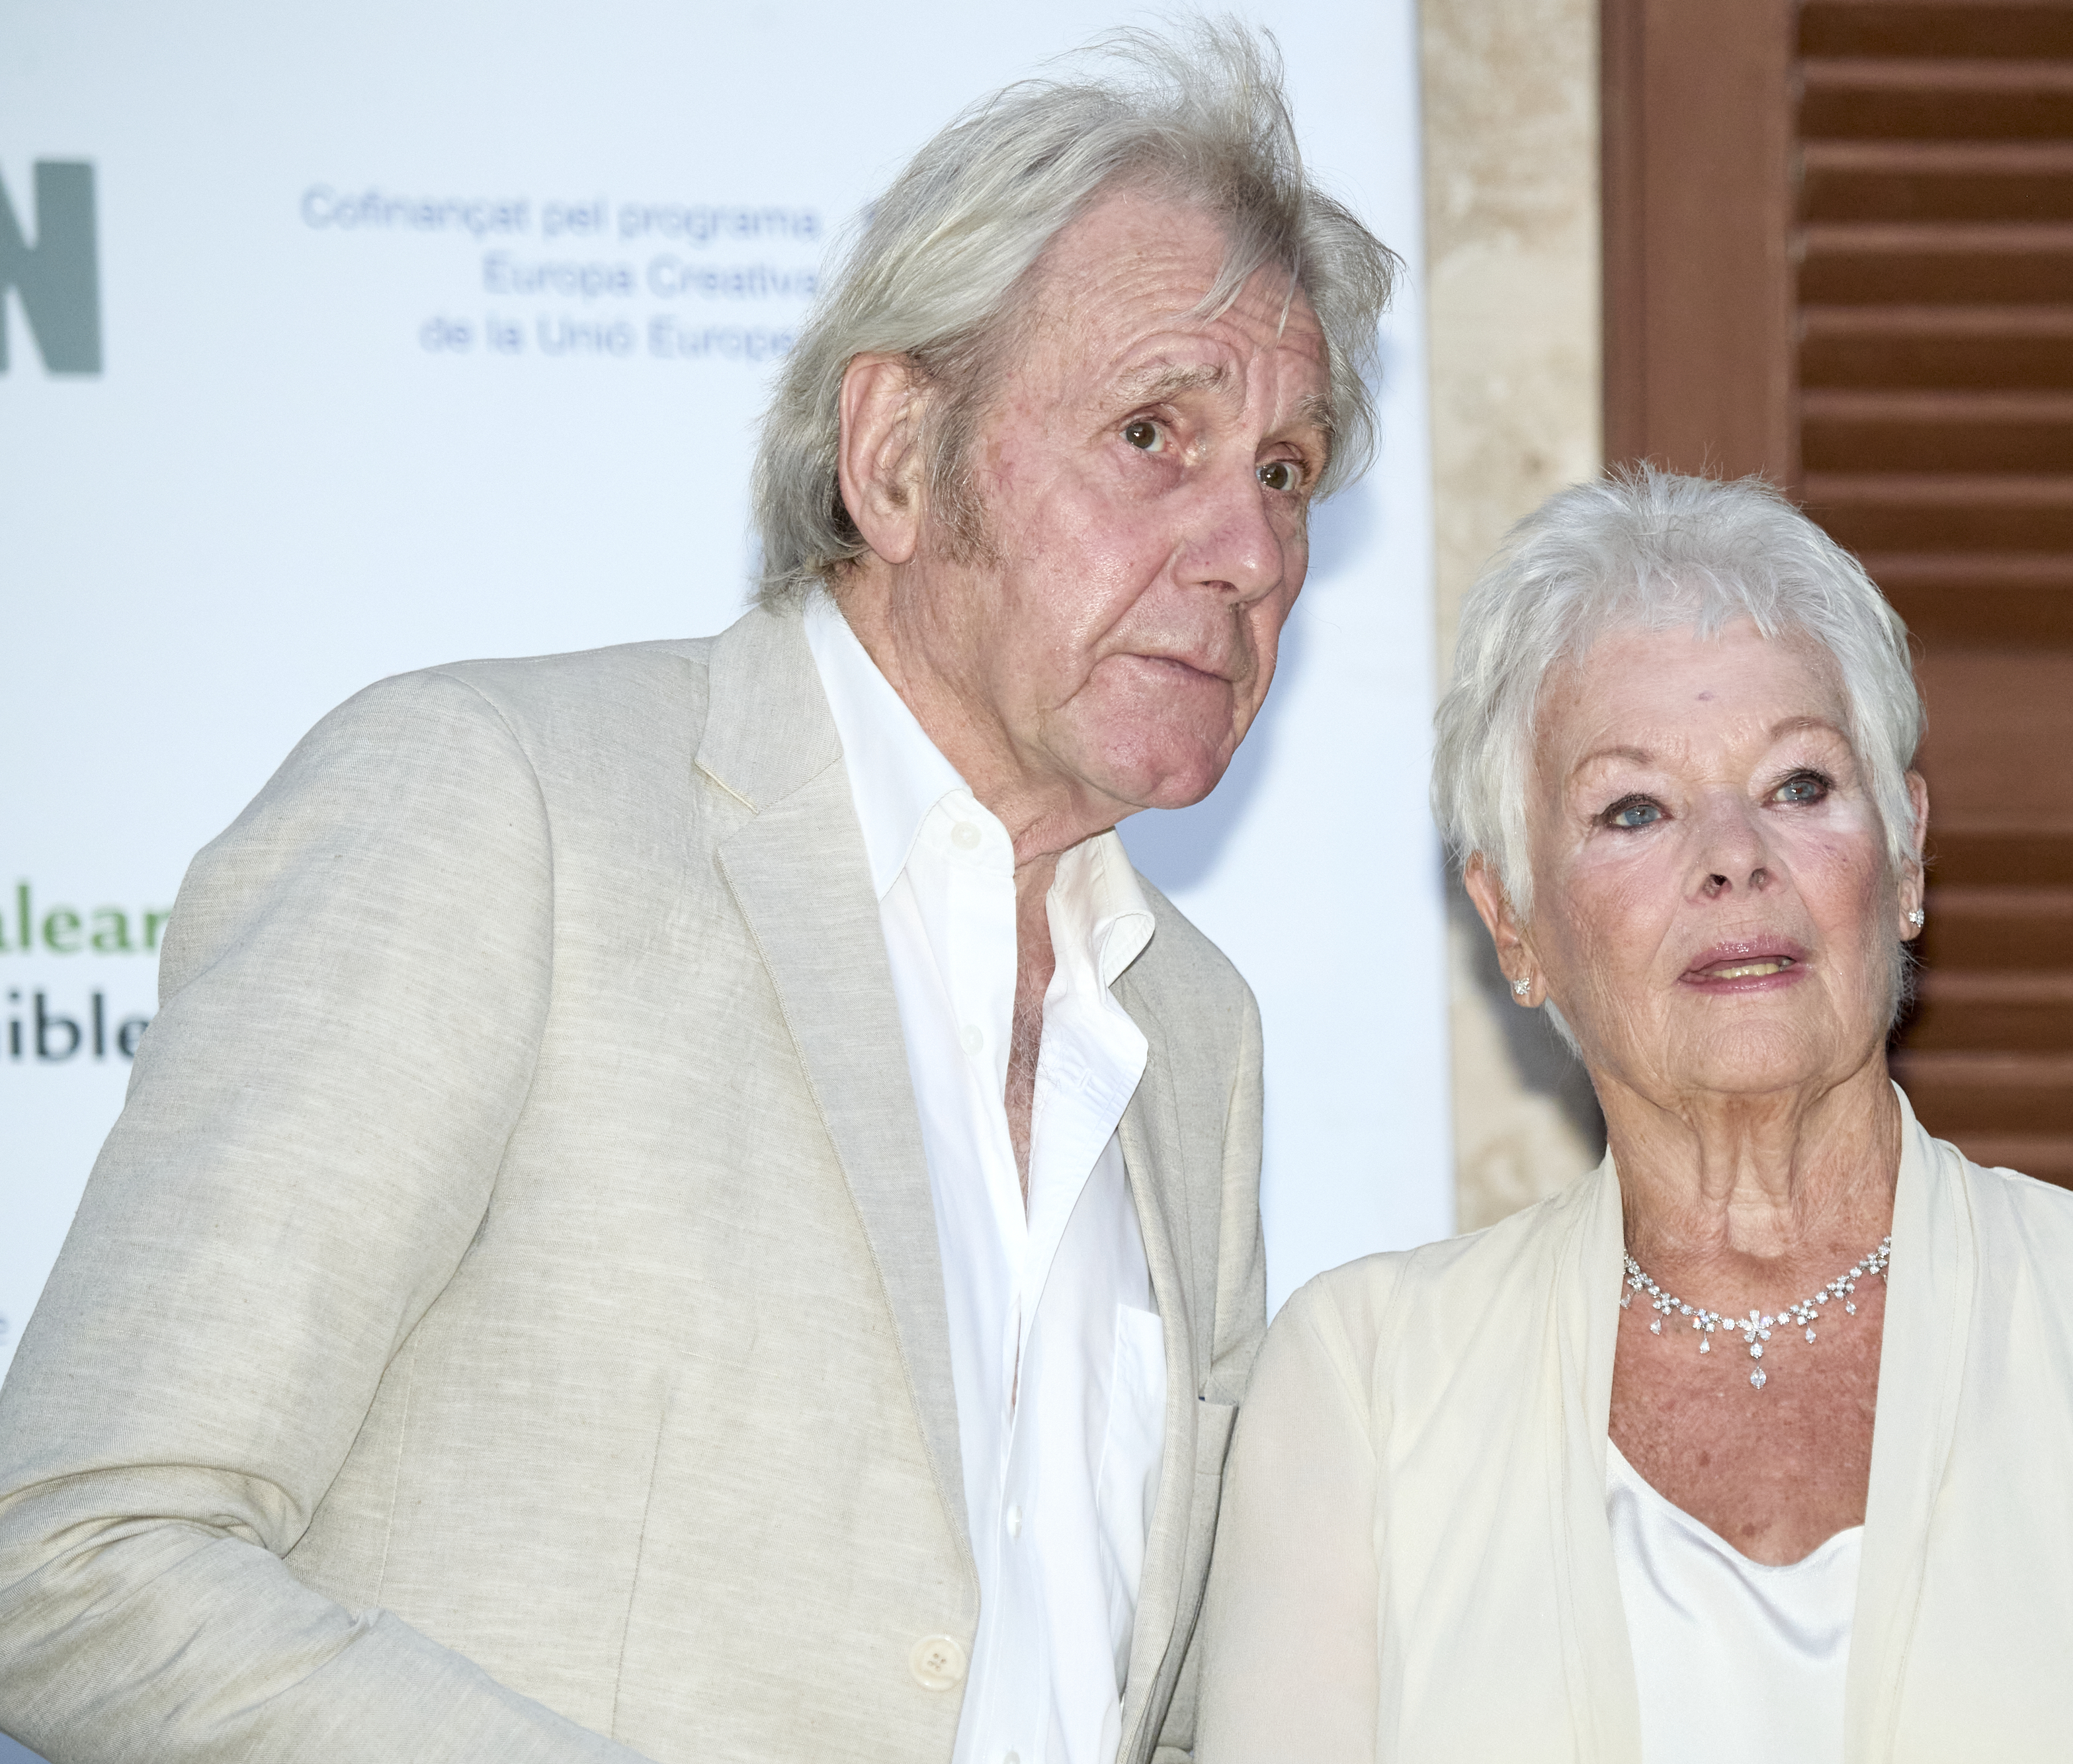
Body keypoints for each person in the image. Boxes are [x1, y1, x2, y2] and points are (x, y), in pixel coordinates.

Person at [0, 24, 1395, 1764]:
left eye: (1284, 469)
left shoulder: (1195, 1029)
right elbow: (78, 1552)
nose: (1255, 552)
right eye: (1151, 432)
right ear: (895, 456)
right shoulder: (498, 803)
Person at [1194, 470, 2073, 1762]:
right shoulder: (1363, 1381)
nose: (1733, 853)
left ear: (1903, 852)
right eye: (1634, 806)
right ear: (1513, 923)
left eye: (1795, 784)